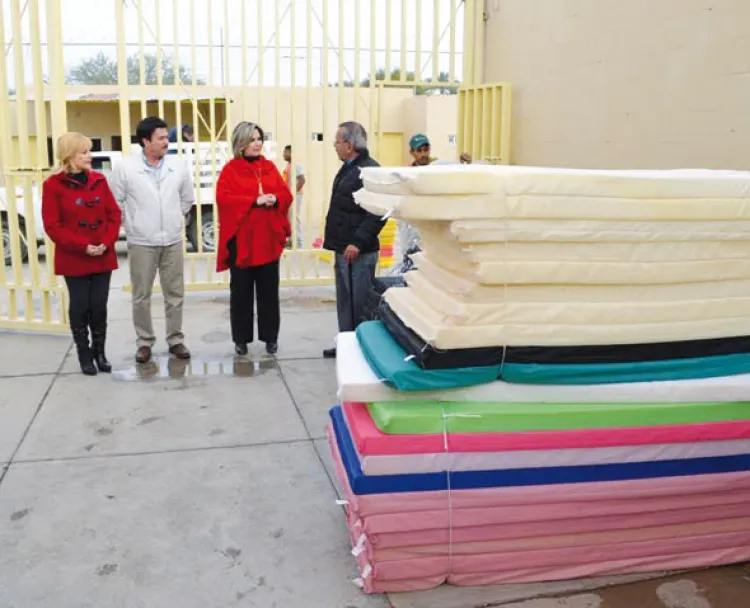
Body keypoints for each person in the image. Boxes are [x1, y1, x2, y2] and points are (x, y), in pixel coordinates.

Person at [110, 116, 195, 364]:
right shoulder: (126, 168)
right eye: (160, 138)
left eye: (166, 137)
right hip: (141, 242)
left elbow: (186, 198)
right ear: (145, 141)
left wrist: (174, 218)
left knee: (175, 293)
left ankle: (176, 339)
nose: (166, 142)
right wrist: (133, 224)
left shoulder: (178, 166)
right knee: (141, 295)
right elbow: (117, 201)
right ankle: (144, 342)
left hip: (172, 240)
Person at [42, 132, 122, 375]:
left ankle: (100, 353)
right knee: (80, 307)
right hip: (74, 257)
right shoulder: (52, 185)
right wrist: (83, 246)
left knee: (99, 306)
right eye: (84, 152)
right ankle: (84, 355)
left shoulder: (99, 180)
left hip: (102, 255)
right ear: (70, 155)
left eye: (89, 150)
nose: (90, 156)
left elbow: (114, 215)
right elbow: (53, 226)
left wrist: (106, 243)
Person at [215, 121, 292, 356]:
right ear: (241, 143)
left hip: (267, 241)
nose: (258, 143)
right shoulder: (230, 170)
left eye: (260, 139)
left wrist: (275, 199)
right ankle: (241, 339)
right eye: (253, 139)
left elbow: (285, 194)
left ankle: (270, 337)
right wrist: (253, 200)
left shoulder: (269, 167)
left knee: (269, 292)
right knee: (241, 293)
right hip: (243, 244)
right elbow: (224, 199)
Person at [322, 121, 385, 359]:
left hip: (358, 251)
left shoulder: (370, 171)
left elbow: (378, 212)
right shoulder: (349, 168)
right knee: (345, 302)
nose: (335, 146)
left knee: (361, 303)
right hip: (342, 248)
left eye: (337, 142)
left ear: (349, 144)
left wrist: (357, 242)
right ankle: (347, 344)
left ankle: (363, 349)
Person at [282, 145, 306, 247]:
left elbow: (302, 180)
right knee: (289, 218)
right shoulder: (288, 165)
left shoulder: (296, 165)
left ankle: (299, 242)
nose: (283, 154)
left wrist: (293, 193)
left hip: (295, 196)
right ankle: (292, 240)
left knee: (294, 218)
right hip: (289, 196)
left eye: (285, 152)